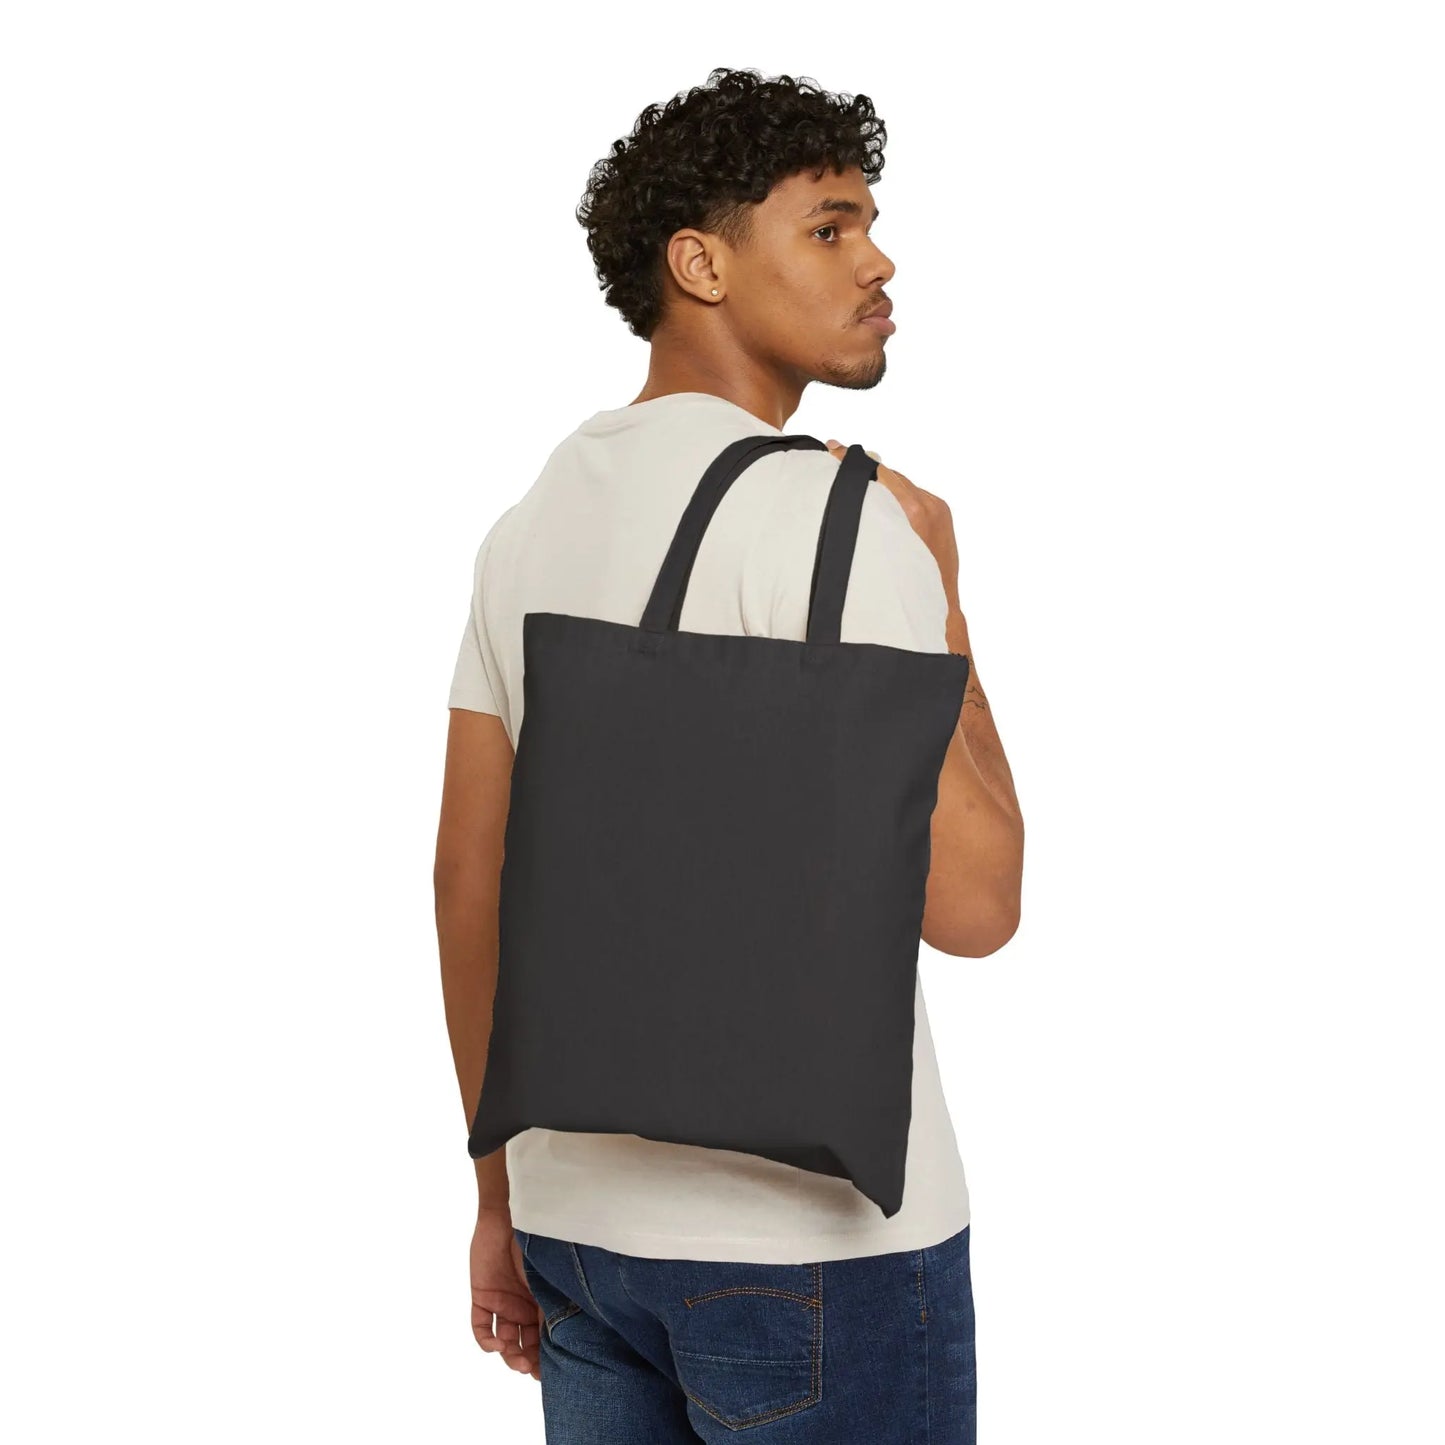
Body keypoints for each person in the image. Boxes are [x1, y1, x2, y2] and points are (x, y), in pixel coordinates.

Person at [433, 66, 1024, 1443]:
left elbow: (469, 872)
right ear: (697, 261)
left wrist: (496, 1195)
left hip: (576, 1232)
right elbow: (978, 907)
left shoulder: (525, 526)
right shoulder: (840, 518)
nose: (876, 261)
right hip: (818, 1251)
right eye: (827, 226)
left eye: (869, 221)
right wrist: (940, 596)